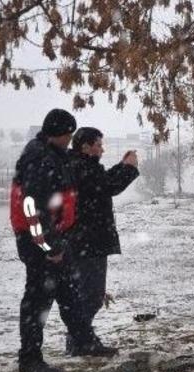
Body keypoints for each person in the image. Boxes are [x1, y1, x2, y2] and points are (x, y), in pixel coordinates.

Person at [9, 109, 78, 372]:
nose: (69, 141)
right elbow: (34, 206)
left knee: (61, 293)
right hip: (36, 240)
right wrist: (50, 247)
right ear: (56, 134)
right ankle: (30, 358)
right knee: (37, 300)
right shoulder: (39, 159)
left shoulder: (49, 155)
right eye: (67, 135)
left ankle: (81, 339)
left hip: (45, 236)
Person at [63, 127, 139, 356]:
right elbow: (107, 186)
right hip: (87, 241)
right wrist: (128, 168)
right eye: (98, 145)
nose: (102, 149)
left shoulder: (79, 165)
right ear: (85, 146)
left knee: (88, 294)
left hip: (86, 240)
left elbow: (103, 181)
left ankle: (80, 341)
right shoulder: (79, 167)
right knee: (91, 295)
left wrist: (123, 167)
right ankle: (80, 342)